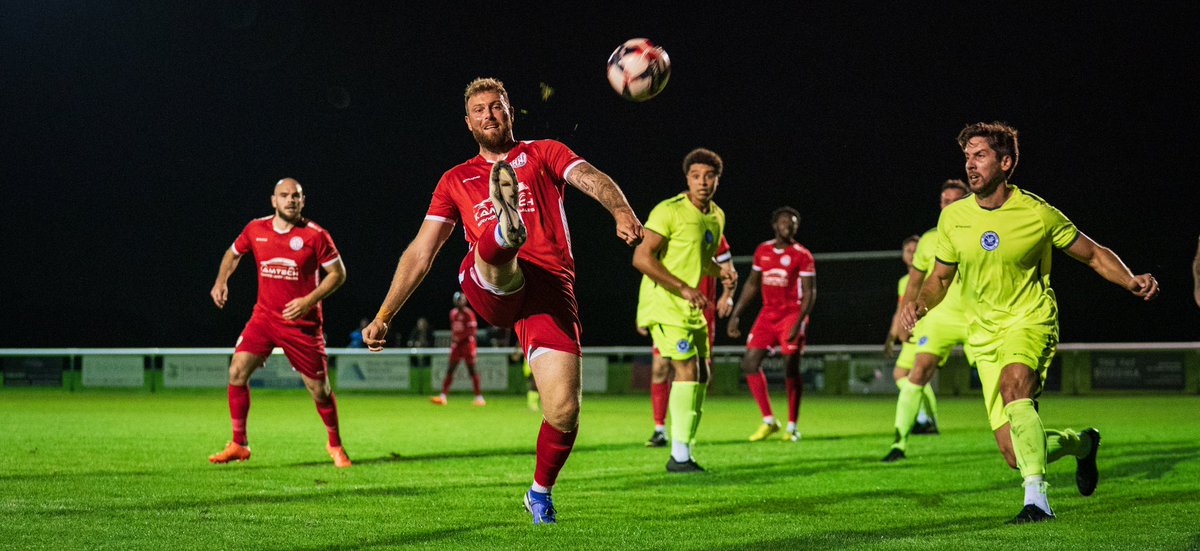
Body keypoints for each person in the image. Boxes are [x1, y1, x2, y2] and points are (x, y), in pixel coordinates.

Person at [361, 78, 642, 525]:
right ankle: (503, 231)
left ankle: (538, 492)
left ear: (510, 112)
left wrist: (620, 208)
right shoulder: (454, 180)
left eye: (497, 106)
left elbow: (589, 177)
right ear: (468, 122)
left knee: (564, 411)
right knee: (499, 262)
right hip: (488, 281)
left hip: (549, 289)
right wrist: (384, 313)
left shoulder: (544, 152)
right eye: (480, 109)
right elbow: (421, 252)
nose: (489, 114)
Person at [901, 122, 1159, 523]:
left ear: (1006, 162)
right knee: (1013, 453)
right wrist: (920, 305)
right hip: (983, 333)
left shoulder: (1037, 213)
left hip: (1030, 320)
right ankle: (1082, 444)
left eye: (980, 155)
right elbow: (940, 278)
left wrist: (1129, 279)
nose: (970, 165)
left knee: (1014, 385)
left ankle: (1036, 502)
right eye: (967, 157)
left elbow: (1091, 253)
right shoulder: (954, 219)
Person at [207, 178, 351, 468]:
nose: (290, 200)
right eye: (284, 195)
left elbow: (338, 273)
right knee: (236, 371)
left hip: (302, 324)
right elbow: (232, 253)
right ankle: (239, 444)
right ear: (273, 200)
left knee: (319, 390)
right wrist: (221, 281)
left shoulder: (315, 235)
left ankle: (335, 444)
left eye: (296, 196)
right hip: (264, 318)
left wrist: (307, 301)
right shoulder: (255, 229)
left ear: (302, 200)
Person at [633, 147, 736, 472]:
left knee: (703, 374)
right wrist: (682, 287)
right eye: (696, 176)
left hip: (692, 307)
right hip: (665, 304)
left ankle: (685, 447)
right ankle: (678, 455)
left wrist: (723, 274)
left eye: (709, 176)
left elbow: (703, 262)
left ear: (718, 180)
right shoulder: (669, 211)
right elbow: (641, 257)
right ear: (687, 179)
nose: (702, 182)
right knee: (686, 370)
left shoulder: (716, 216)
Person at [882, 180, 974, 463]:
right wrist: (902, 321)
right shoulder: (928, 239)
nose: (948, 205)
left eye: (954, 201)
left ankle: (1022, 442)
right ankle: (899, 444)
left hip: (977, 317)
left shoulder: (980, 231)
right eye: (944, 201)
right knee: (915, 374)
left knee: (1001, 382)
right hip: (938, 320)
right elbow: (914, 284)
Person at [727, 207, 816, 443]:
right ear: (775, 225)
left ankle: (792, 426)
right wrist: (736, 314)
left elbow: (809, 293)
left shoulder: (802, 255)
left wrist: (799, 322)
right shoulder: (763, 250)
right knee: (749, 363)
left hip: (791, 314)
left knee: (790, 367)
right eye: (785, 221)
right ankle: (769, 421)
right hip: (768, 315)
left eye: (793, 223)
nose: (789, 225)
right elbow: (752, 285)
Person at [643, 235, 735, 448]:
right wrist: (645, 311)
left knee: (700, 373)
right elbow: (649, 267)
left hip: (702, 311)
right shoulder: (667, 228)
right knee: (660, 367)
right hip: (669, 309)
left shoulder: (714, 231)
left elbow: (727, 269)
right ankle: (661, 431)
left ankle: (685, 433)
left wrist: (727, 295)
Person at [432, 292, 484, 406]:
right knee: (450, 369)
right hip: (457, 345)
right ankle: (443, 396)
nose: (459, 301)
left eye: (461, 299)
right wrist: (455, 340)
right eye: (457, 300)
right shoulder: (453, 313)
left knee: (472, 370)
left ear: (464, 301)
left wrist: (459, 338)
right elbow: (454, 329)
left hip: (467, 345)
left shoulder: (469, 314)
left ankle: (479, 397)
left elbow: (472, 331)